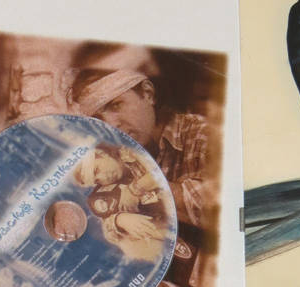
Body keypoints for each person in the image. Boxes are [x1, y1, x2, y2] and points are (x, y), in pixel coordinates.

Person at [72, 68, 208, 229]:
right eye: (98, 120)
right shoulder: (121, 161)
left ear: (148, 93)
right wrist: (119, 219)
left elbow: (222, 206)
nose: (111, 125)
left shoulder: (204, 133)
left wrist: (137, 189)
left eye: (116, 105)